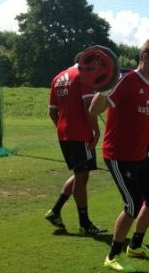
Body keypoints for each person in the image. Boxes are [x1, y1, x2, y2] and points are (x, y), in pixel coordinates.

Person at [89, 37, 149, 272]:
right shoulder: (126, 80)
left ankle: (135, 246)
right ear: (144, 58)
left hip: (139, 156)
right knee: (133, 204)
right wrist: (105, 86)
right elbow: (94, 110)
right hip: (118, 155)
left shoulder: (146, 84)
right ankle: (113, 255)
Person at [45, 52, 106, 235]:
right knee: (82, 177)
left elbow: (52, 111)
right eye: (93, 65)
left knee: (80, 173)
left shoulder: (57, 78)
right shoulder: (82, 76)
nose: (95, 69)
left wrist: (63, 128)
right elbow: (89, 107)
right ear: (83, 62)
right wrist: (96, 131)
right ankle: (84, 224)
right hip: (81, 133)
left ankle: (55, 211)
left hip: (64, 133)